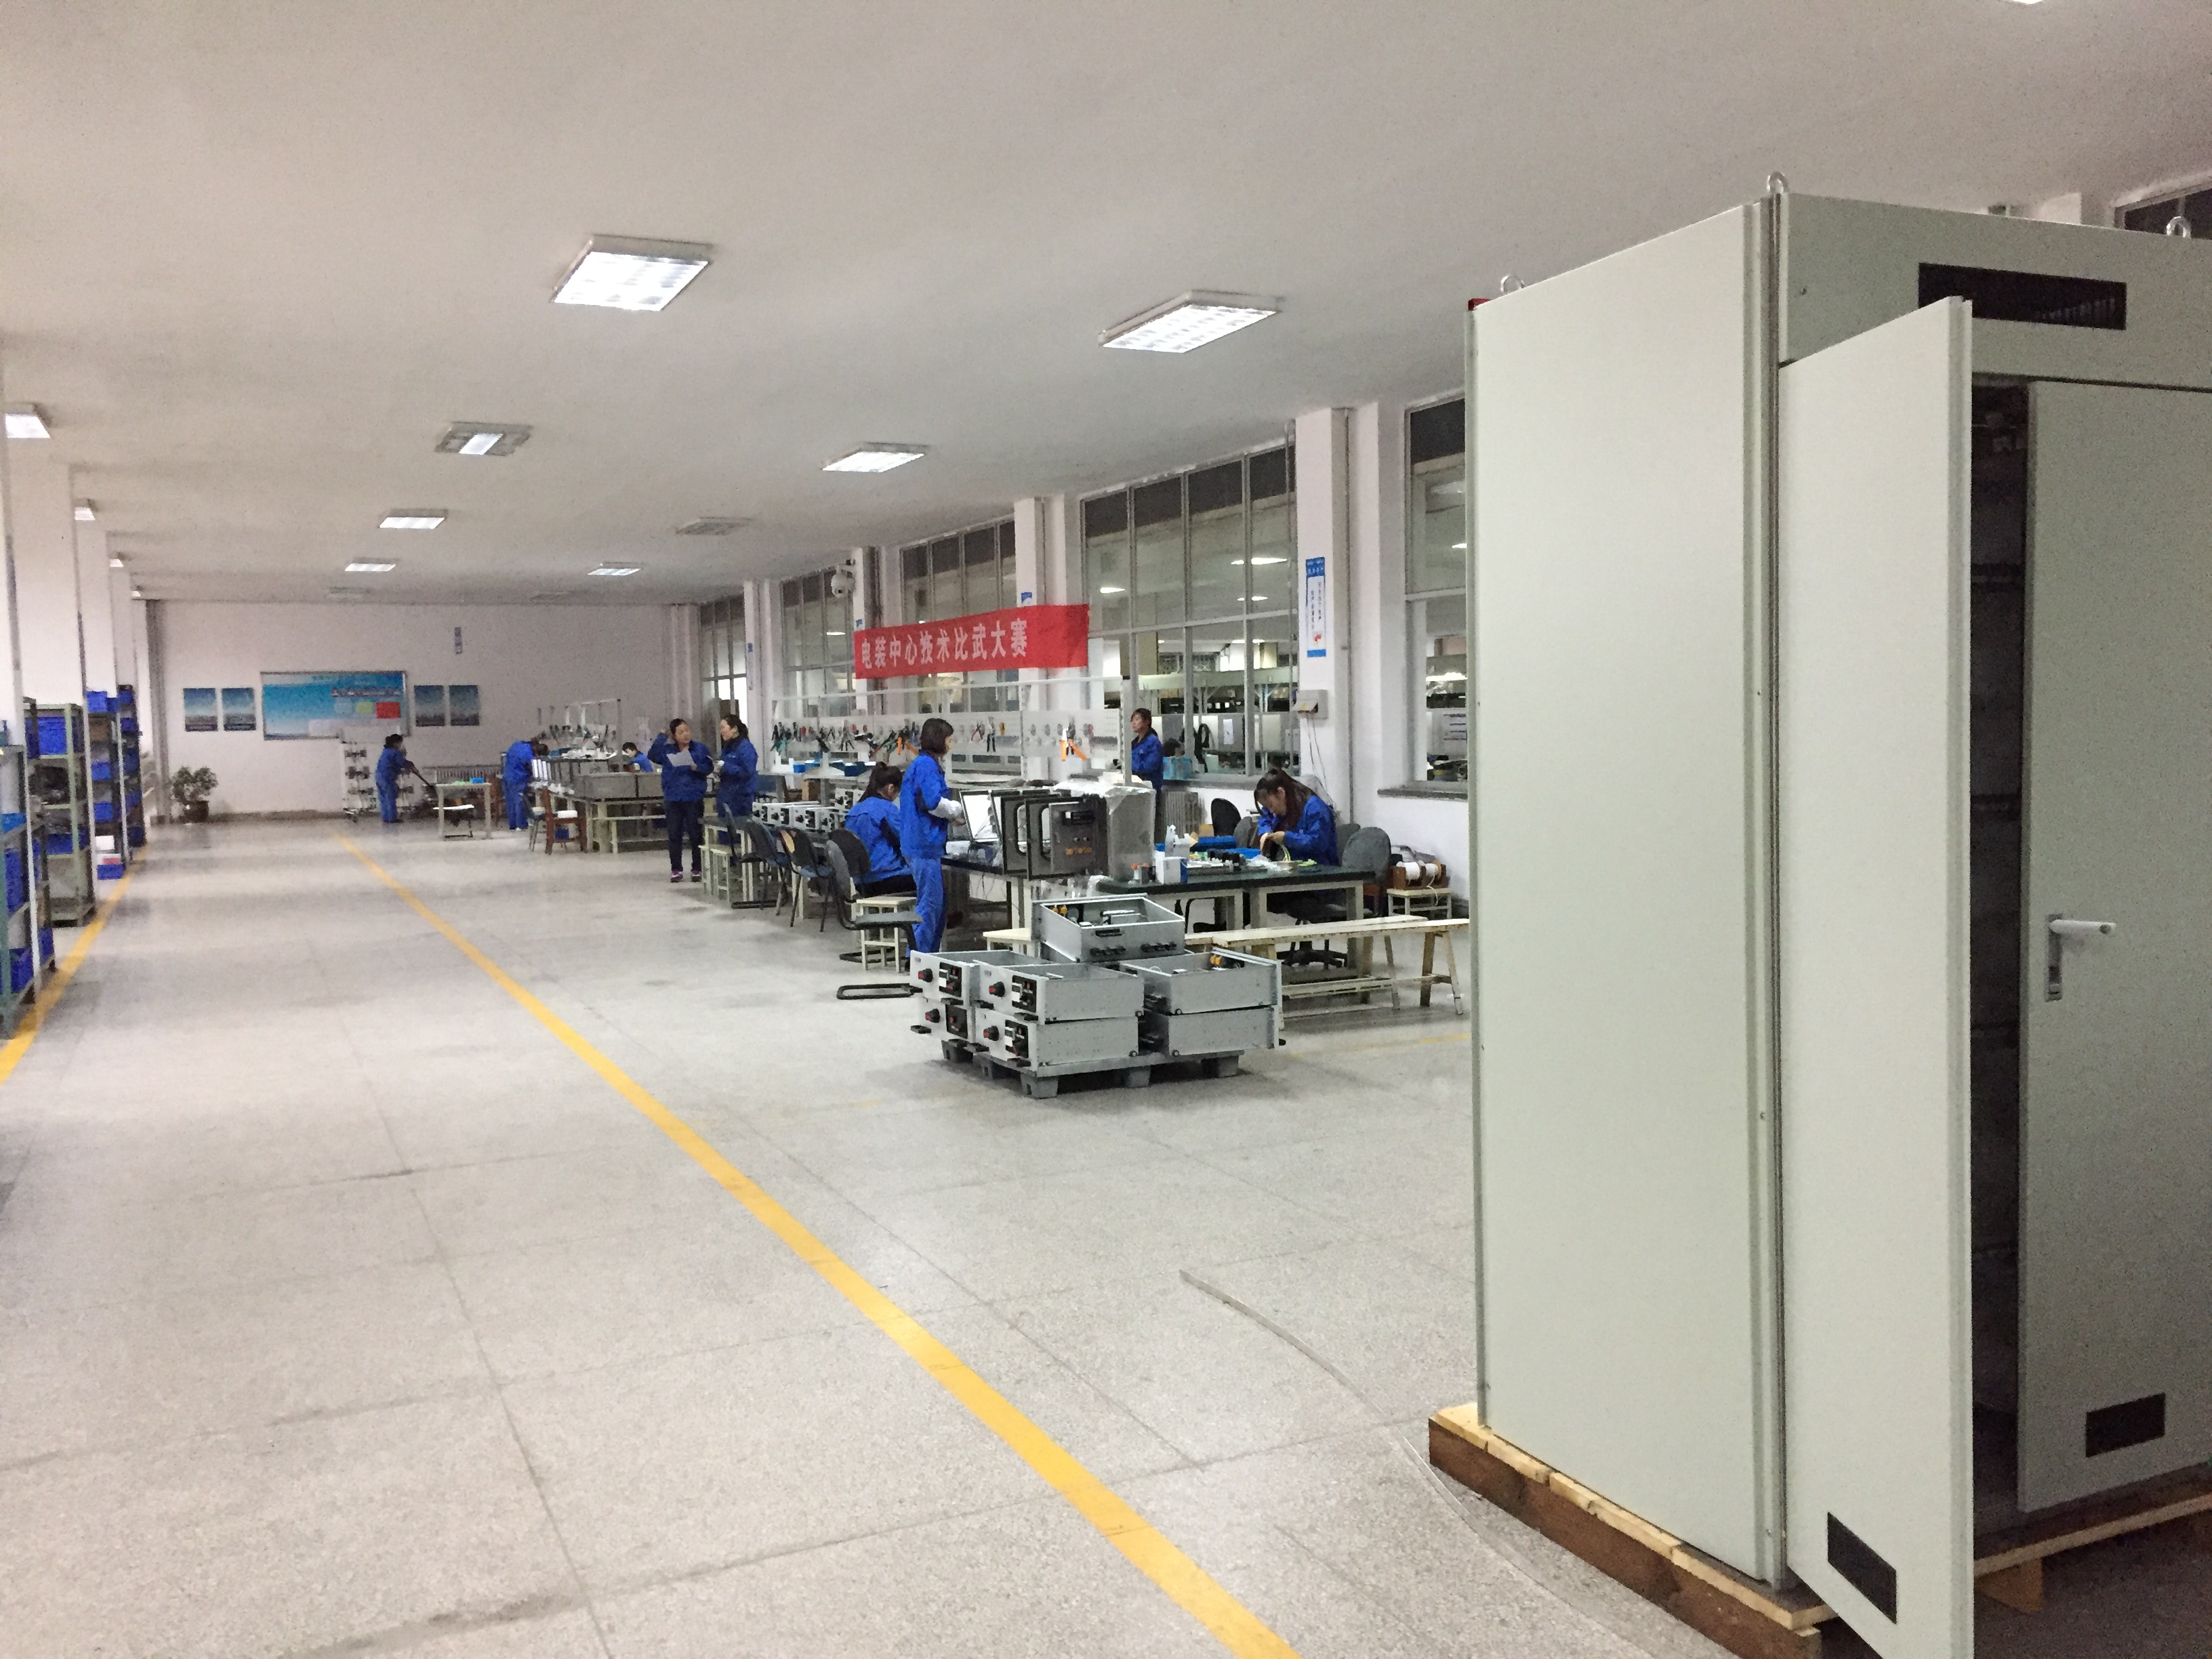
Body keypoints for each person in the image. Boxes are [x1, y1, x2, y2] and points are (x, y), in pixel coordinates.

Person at [897, 717, 964, 951]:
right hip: (923, 846)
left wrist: (949, 817)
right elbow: (933, 802)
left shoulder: (924, 764)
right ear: (939, 740)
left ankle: (929, 956)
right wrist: (956, 809)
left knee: (939, 905)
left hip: (922, 844)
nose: (950, 744)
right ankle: (917, 958)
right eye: (949, 739)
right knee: (930, 905)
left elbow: (924, 803)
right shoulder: (926, 765)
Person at [645, 718, 713, 884]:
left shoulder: (700, 749)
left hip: (693, 797)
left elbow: (709, 767)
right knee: (674, 834)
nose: (685, 735)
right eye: (681, 732)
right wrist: (662, 736)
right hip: (673, 798)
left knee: (696, 834)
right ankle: (676, 869)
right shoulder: (668, 751)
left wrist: (697, 768)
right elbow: (652, 755)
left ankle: (697, 868)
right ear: (674, 736)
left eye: (687, 731)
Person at [843, 762, 914, 896]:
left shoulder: (854, 811)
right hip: (887, 879)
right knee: (932, 881)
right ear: (890, 788)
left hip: (861, 882)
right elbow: (908, 839)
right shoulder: (887, 809)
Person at [1253, 767, 1338, 864]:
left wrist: (1287, 838)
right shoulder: (1279, 807)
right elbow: (1266, 817)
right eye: (1267, 808)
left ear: (1281, 793)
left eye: (1271, 806)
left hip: (1320, 868)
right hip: (1293, 866)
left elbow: (1318, 844)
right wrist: (1265, 832)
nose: (1271, 811)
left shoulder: (1316, 808)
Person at [714, 714, 757, 831]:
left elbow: (747, 772)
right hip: (725, 797)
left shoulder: (746, 748)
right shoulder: (727, 748)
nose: (721, 732)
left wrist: (726, 767)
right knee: (724, 834)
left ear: (734, 729)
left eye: (723, 728)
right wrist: (718, 771)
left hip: (740, 799)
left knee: (740, 834)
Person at [374, 733, 424, 825]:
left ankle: (386, 818)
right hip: (387, 777)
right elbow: (402, 763)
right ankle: (392, 819)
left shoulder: (386, 751)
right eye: (400, 743)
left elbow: (394, 764)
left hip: (379, 776)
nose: (401, 745)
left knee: (383, 798)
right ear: (396, 743)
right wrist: (411, 766)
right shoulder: (395, 752)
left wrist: (406, 768)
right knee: (390, 797)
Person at [501, 734, 543, 832]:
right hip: (518, 778)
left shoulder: (517, 744)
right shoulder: (528, 753)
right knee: (520, 801)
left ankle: (513, 824)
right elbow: (533, 768)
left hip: (507, 776)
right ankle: (521, 825)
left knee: (511, 801)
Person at [1128, 708, 1164, 792]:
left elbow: (1148, 767)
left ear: (1147, 722)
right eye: (1132, 720)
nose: (1134, 723)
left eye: (1137, 719)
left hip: (1150, 788)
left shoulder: (1153, 742)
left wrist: (1131, 762)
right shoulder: (1134, 743)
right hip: (1136, 787)